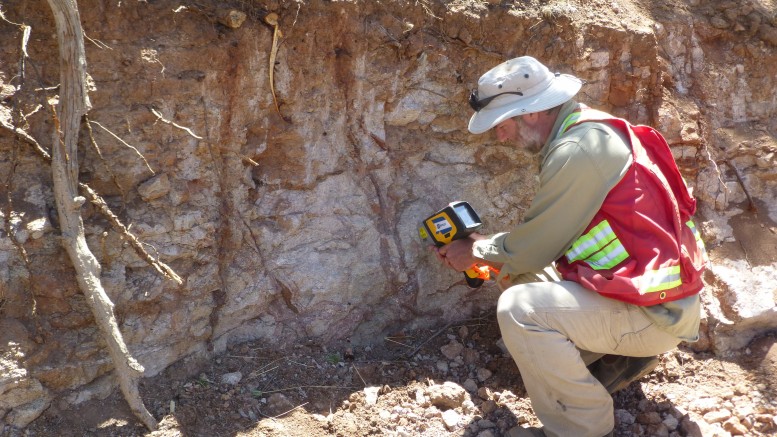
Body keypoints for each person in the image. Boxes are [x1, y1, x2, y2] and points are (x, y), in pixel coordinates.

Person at [433, 56, 707, 437]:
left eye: (502, 124)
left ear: (530, 113)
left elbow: (529, 248)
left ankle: (580, 427)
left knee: (519, 309)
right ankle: (610, 363)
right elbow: (534, 250)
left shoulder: (578, 150)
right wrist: (488, 253)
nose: (501, 136)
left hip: (655, 313)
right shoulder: (590, 129)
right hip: (655, 298)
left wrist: (473, 252)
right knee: (520, 277)